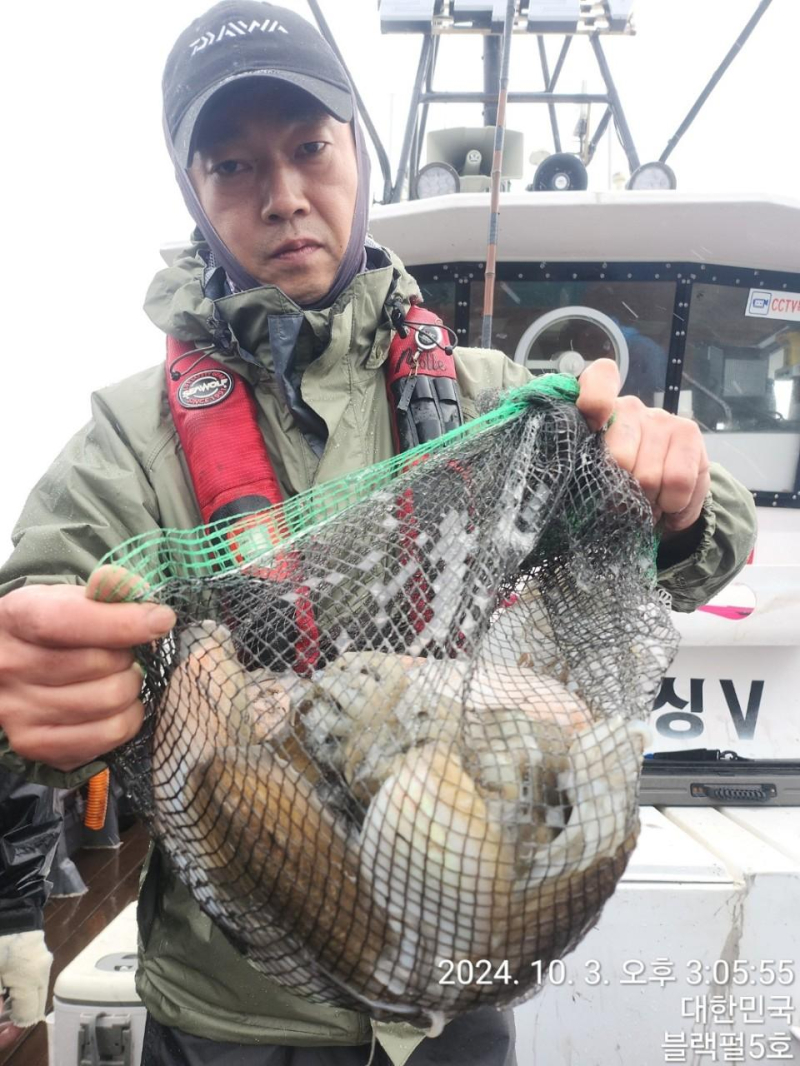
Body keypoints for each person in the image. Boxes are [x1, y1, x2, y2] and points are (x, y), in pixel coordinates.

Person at [0, 2, 757, 1064]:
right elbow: (30, 613)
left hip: (460, 1003)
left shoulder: (496, 396)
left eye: (310, 147)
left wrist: (676, 495)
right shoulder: (129, 439)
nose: (284, 197)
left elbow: (705, 546)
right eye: (231, 166)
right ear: (193, 192)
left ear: (353, 146)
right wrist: (23, 677)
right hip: (230, 1017)